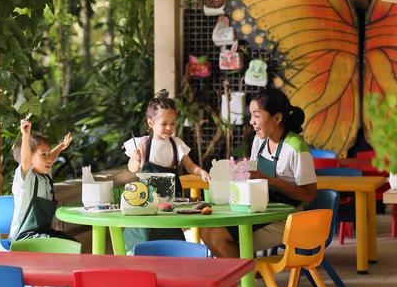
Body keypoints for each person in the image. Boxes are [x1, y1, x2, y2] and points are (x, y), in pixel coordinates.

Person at [201, 89, 317, 258]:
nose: (251, 122)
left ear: (277, 118)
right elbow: (255, 176)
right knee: (206, 231)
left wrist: (271, 181)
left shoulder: (296, 148)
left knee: (219, 236)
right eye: (251, 116)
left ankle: (244, 281)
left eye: (256, 116)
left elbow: (309, 195)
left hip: (289, 217)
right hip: (263, 209)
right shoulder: (259, 140)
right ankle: (244, 277)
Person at [124, 90, 210, 243]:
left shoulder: (176, 144)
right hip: (146, 203)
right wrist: (135, 160)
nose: (169, 128)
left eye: (173, 124)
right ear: (151, 123)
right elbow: (132, 168)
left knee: (171, 235)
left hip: (171, 203)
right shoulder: (143, 144)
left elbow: (190, 166)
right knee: (146, 238)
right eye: (164, 124)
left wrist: (201, 172)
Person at [9, 119, 74, 242]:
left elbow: (51, 158)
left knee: (72, 243)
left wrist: (61, 146)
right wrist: (26, 136)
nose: (49, 159)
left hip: (42, 232)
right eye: (43, 155)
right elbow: (25, 161)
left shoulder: (45, 176)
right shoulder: (26, 179)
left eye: (48, 155)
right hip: (23, 236)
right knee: (61, 246)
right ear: (30, 158)